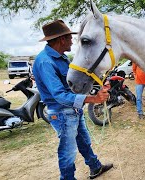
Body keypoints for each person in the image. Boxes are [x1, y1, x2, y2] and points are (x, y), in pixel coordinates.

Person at [32, 20, 113, 180]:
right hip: (62, 114)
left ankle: (95, 167)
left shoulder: (61, 58)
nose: (72, 42)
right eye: (70, 38)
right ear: (62, 39)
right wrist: (92, 98)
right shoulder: (45, 61)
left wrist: (100, 83)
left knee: (84, 142)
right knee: (67, 152)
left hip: (72, 111)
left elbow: (77, 79)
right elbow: (60, 95)